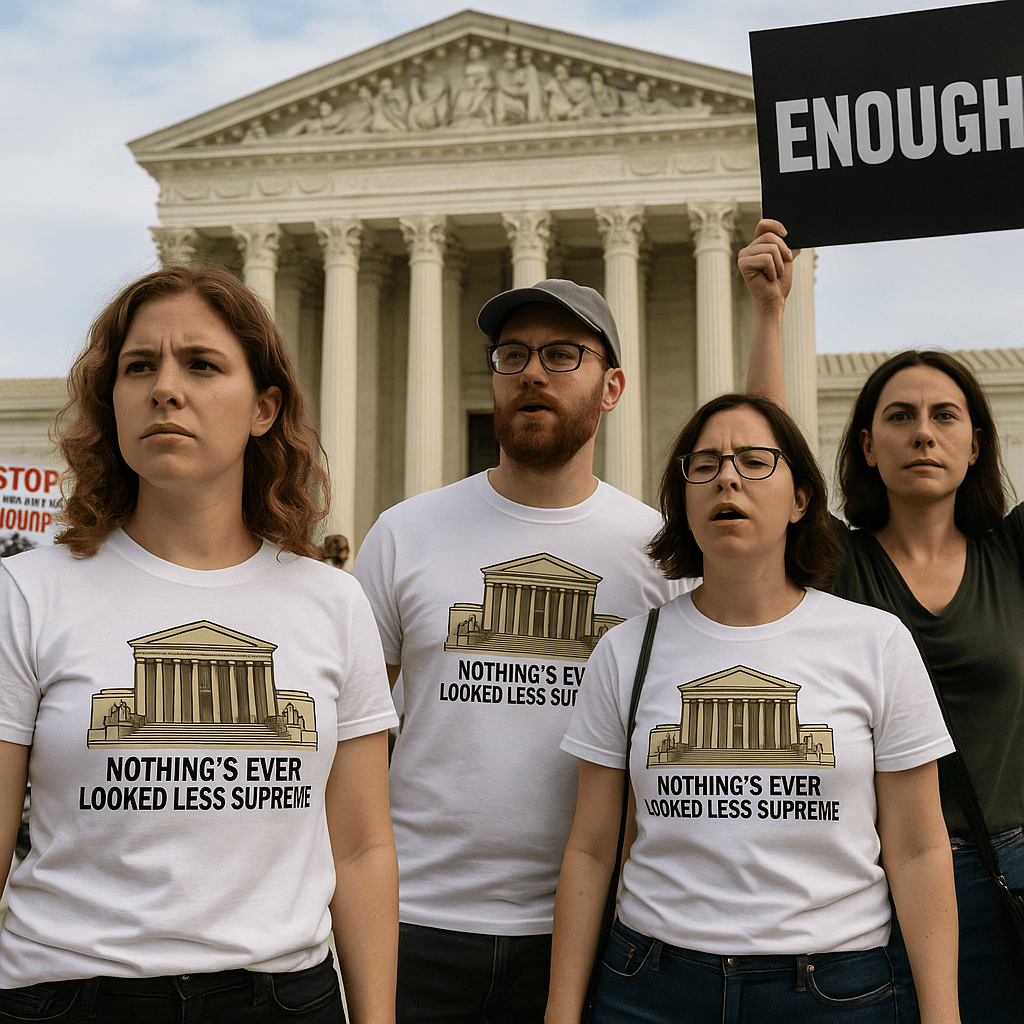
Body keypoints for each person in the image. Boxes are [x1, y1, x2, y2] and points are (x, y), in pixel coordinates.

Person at [0, 265, 398, 1023]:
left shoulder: (331, 601)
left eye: (202, 364)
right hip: (74, 994)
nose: (165, 388)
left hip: (282, 997)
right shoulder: (29, 595)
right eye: (138, 366)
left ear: (263, 407)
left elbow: (361, 849)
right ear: (110, 399)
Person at [548, 392, 960, 1024]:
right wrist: (561, 1010)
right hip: (653, 984)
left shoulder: (875, 642)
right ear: (684, 501)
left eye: (755, 460)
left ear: (801, 499)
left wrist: (942, 1014)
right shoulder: (627, 649)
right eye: (705, 464)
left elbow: (918, 848)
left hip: (834, 987)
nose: (728, 477)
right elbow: (592, 847)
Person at [353, 280, 683, 1023]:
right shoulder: (405, 534)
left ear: (611, 387)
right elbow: (351, 737)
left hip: (591, 930)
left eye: (562, 355)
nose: (532, 372)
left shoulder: (656, 556)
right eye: (513, 355)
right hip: (416, 922)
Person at [740, 219, 1024, 1020]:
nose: (923, 432)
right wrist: (769, 312)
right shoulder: (840, 562)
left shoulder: (1013, 553)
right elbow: (767, 455)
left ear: (976, 443)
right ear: (865, 444)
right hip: (868, 874)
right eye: (899, 417)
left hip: (1009, 869)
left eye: (944, 416)